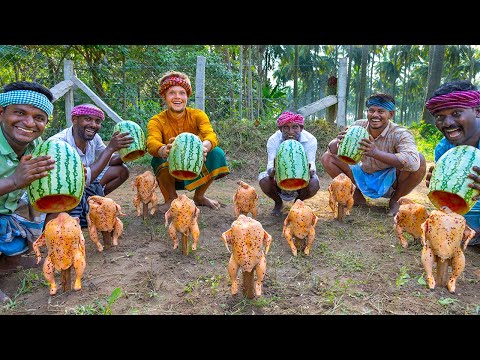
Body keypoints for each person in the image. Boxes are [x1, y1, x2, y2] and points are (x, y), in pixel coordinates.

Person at [321, 92, 426, 217]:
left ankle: (396, 199)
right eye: (371, 111)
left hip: (390, 180)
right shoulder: (357, 126)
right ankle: (356, 196)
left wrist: (375, 153)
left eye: (381, 111)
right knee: (327, 157)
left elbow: (413, 162)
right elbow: (332, 150)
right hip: (361, 174)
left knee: (420, 160)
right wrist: (337, 142)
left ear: (390, 114)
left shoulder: (400, 133)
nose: (375, 115)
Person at [0, 81, 56, 303]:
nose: (29, 123)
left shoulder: (36, 145)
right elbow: (18, 181)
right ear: (2, 112)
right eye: (19, 113)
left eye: (39, 118)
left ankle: (7, 261)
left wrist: (41, 226)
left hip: (6, 214)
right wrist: (15, 180)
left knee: (19, 246)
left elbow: (44, 184)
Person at [146, 70, 230, 213]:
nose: (177, 97)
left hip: (194, 167)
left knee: (217, 153)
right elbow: (151, 143)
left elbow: (211, 136)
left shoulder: (198, 115)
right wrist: (164, 150)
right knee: (157, 159)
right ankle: (171, 198)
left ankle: (199, 196)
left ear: (187, 96)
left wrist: (204, 147)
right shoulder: (156, 120)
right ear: (164, 96)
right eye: (172, 93)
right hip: (170, 170)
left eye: (182, 93)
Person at [45, 103, 133, 227]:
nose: (93, 125)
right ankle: (55, 222)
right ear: (74, 120)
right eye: (87, 119)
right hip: (62, 189)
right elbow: (81, 179)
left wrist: (128, 153)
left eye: (97, 121)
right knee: (74, 193)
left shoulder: (94, 138)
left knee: (122, 170)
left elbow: (109, 160)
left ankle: (91, 201)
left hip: (83, 181)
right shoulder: (59, 144)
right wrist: (111, 148)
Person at [424, 80, 480, 247]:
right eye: (440, 117)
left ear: (477, 111)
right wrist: (439, 185)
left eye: (456, 113)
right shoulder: (444, 148)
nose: (447, 123)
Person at [258, 111, 320, 216]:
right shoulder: (273, 140)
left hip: (301, 180)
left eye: (295, 127)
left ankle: (298, 203)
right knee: (264, 180)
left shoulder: (310, 140)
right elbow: (269, 166)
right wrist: (273, 171)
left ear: (301, 128)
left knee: (314, 183)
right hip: (279, 180)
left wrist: (310, 171)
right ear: (280, 129)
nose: (290, 132)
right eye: (286, 127)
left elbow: (311, 164)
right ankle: (278, 203)